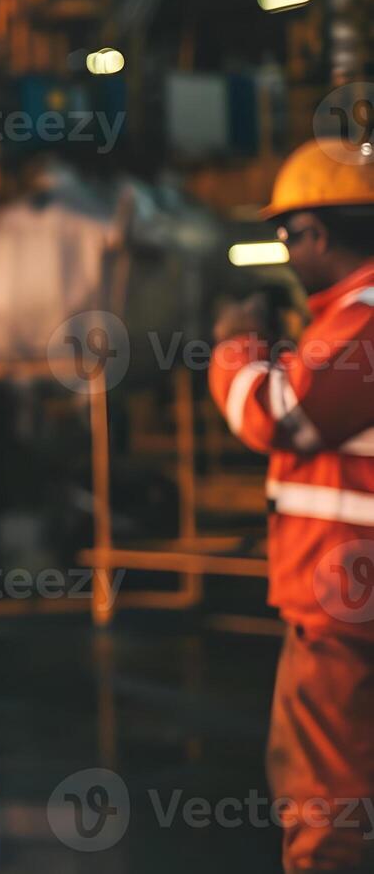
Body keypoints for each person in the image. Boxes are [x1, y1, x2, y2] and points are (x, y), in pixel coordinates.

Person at [211, 137, 374, 872]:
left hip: (341, 598)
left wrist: (235, 347)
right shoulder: (341, 318)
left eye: (285, 235)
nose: (283, 250)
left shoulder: (361, 317)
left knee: (322, 788)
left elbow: (280, 415)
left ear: (315, 233)